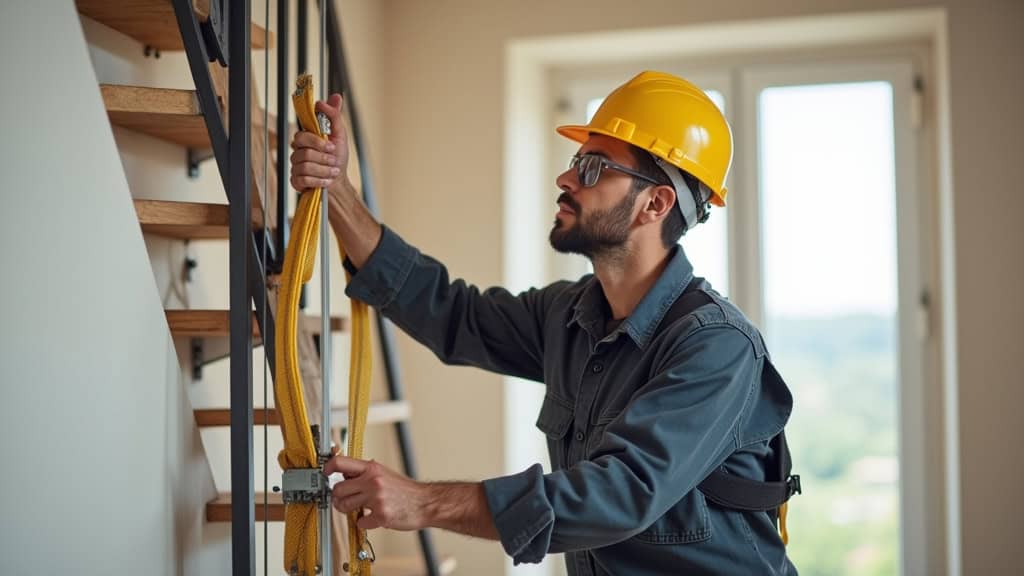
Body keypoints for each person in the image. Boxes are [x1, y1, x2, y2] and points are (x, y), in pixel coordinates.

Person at [289, 71, 797, 575]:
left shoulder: (716, 347)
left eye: (595, 167)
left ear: (656, 204)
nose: (566, 178)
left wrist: (423, 502)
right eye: (578, 161)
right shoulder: (570, 315)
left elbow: (618, 494)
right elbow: (453, 313)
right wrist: (337, 191)